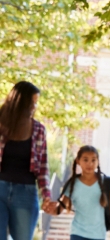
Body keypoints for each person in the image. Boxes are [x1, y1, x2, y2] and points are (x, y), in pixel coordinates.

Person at [0, 81, 52, 240]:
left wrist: (46, 195)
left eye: (36, 103)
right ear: (20, 102)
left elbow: (42, 167)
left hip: (25, 193)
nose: (34, 107)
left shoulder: (38, 130)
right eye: (32, 103)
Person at [44, 145, 110, 240]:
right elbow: (59, 209)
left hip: (98, 235)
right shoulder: (72, 184)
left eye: (93, 160)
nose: (90, 164)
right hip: (77, 233)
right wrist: (50, 210)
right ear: (78, 161)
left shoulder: (106, 183)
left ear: (98, 162)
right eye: (85, 160)